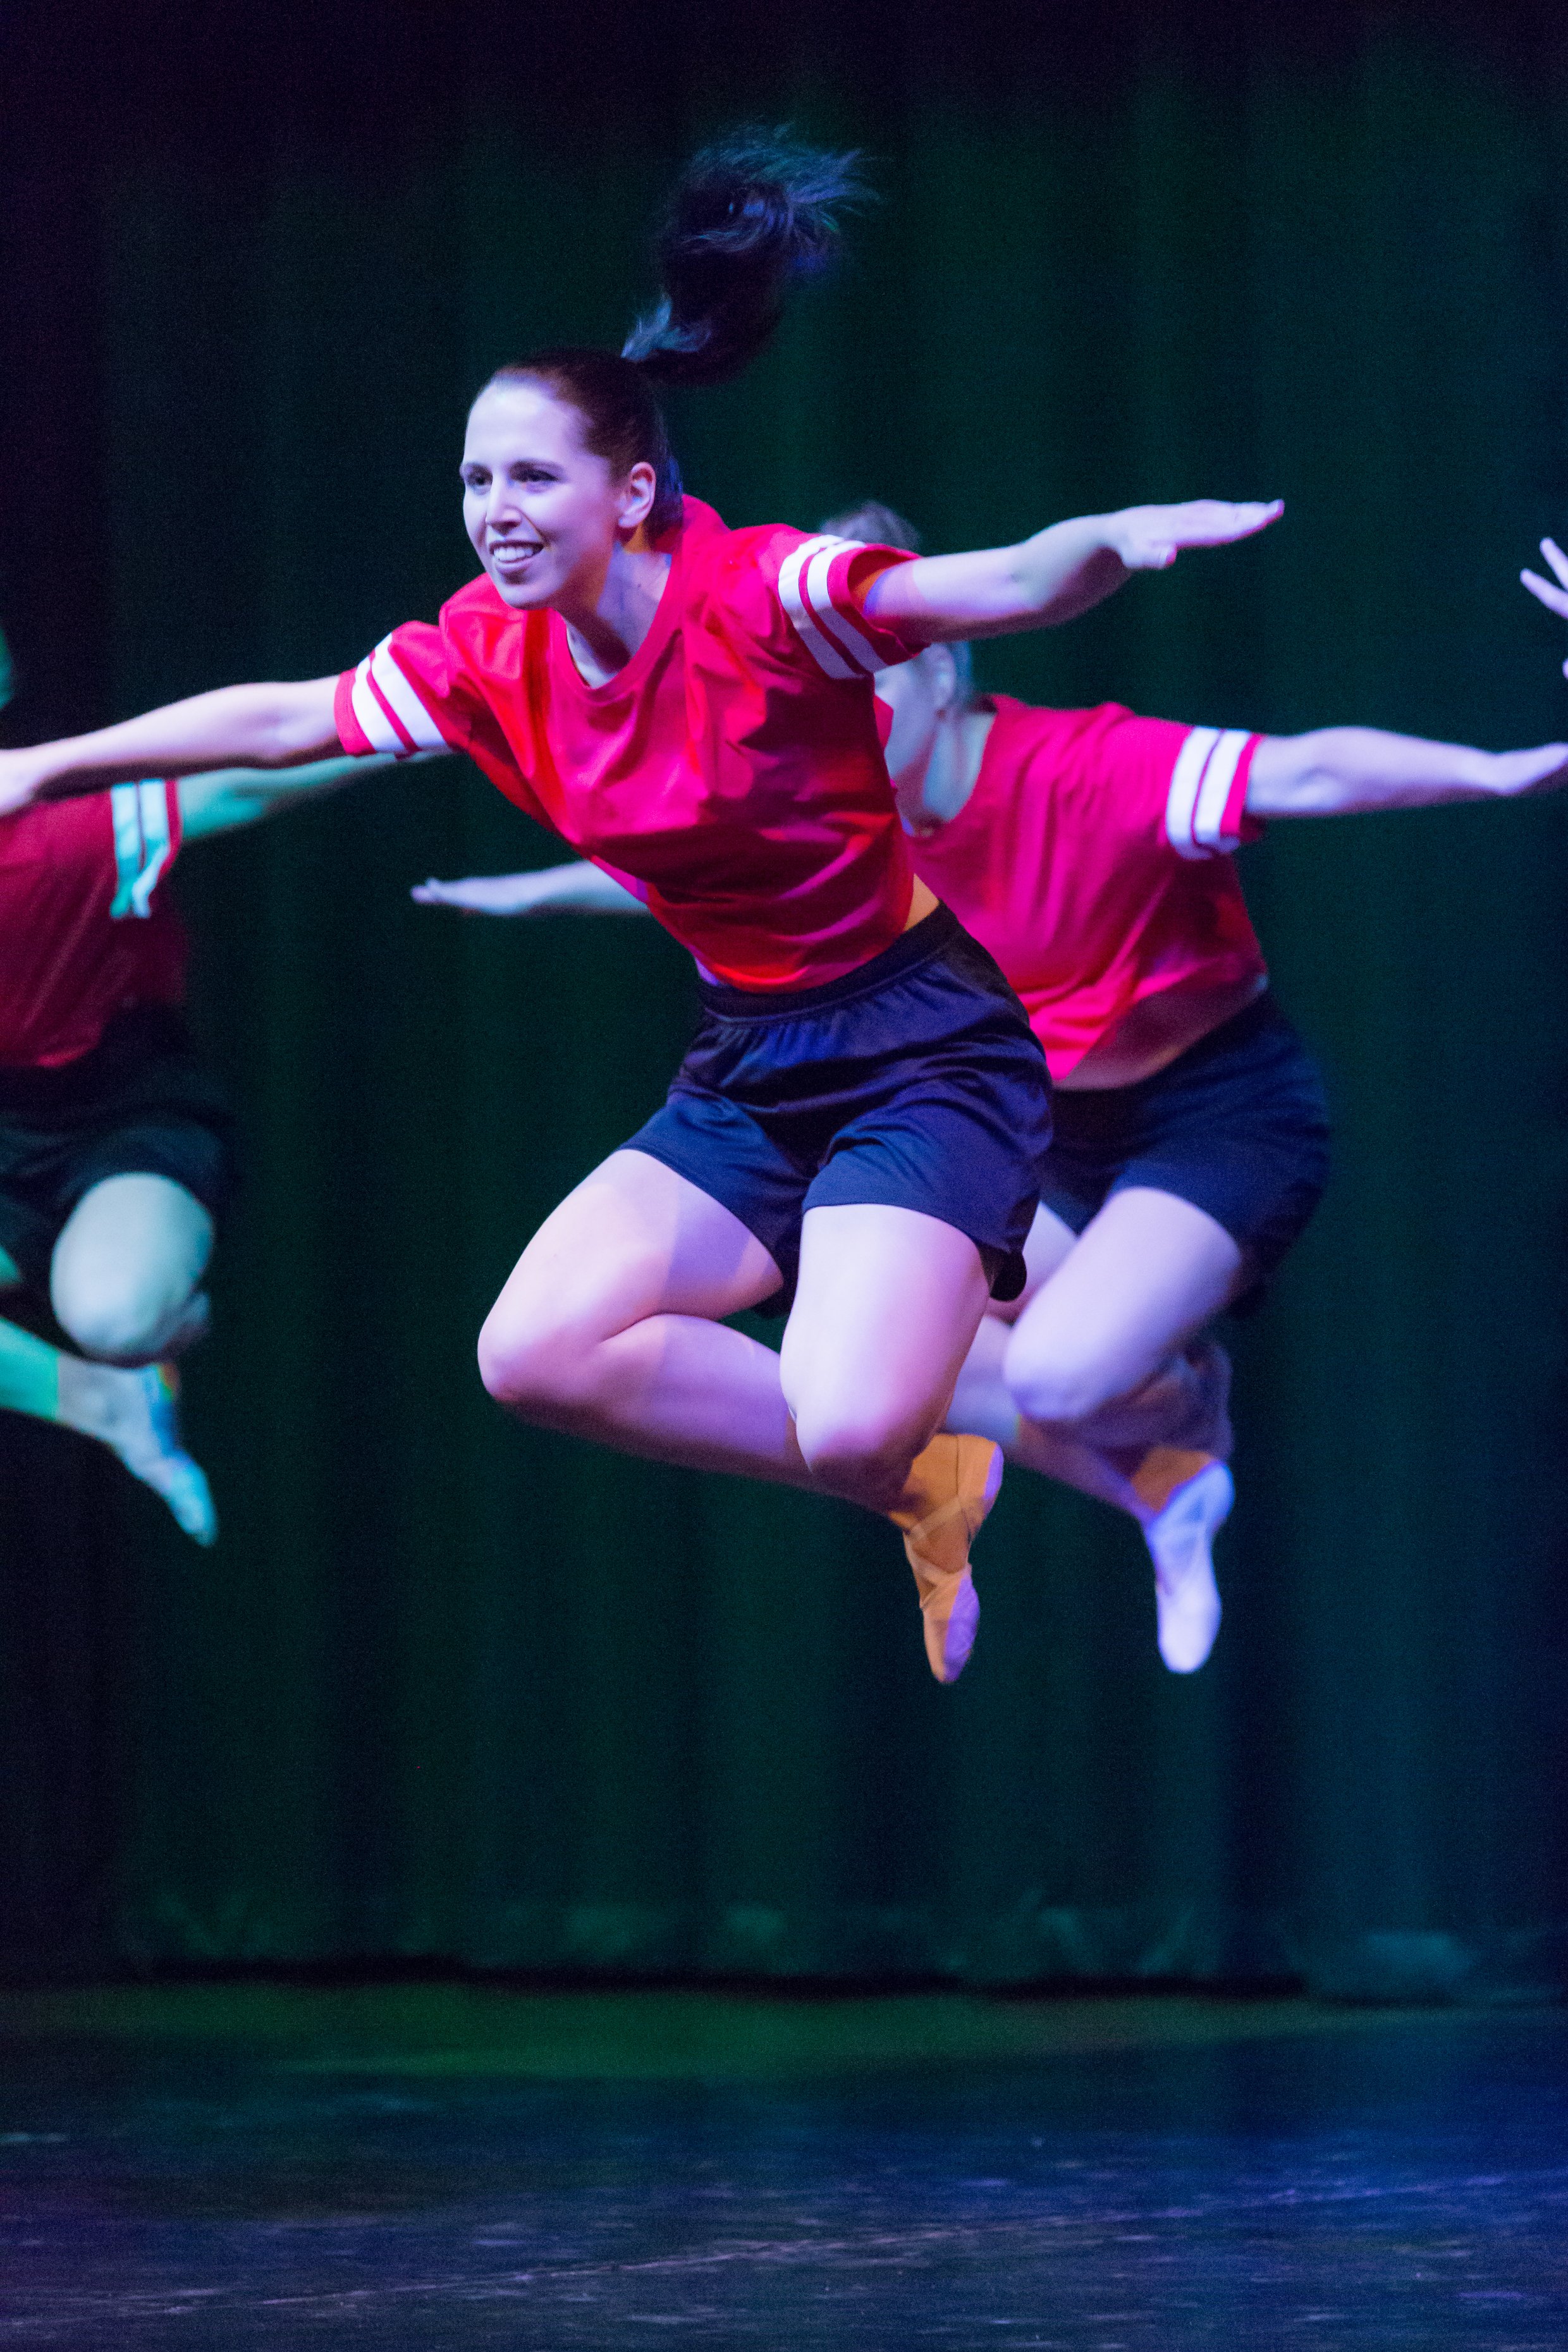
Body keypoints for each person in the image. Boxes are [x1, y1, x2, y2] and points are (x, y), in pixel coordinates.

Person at [0, 135, 1280, 1681]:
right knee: (531, 1354)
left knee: (848, 1415)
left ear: (634, 490)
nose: (495, 509)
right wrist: (45, 767)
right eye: (475, 480)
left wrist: (1109, 547)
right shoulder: (487, 653)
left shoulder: (765, 600)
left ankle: (992, 1438)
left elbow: (995, 586)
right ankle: (937, 1480)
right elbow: (286, 717)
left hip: (921, 1050)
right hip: (749, 1056)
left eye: (531, 477)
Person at [419, 497, 1568, 1677]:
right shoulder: (833, 814)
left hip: (1213, 1116)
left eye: (863, 684)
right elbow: (686, 862)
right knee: (899, 1362)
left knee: (1063, 1375)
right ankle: (1166, 1488)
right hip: (1043, 1127)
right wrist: (536, 892)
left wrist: (1503, 774)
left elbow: (1308, 770)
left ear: (938, 670)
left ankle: (1183, 1399)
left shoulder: (1082, 773)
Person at [0, 678, 401, 1538]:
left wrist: (419, 720)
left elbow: (241, 784)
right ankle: (100, 1401)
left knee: (116, 1315)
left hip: (120, 1114)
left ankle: (149, 1321)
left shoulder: (54, 839)